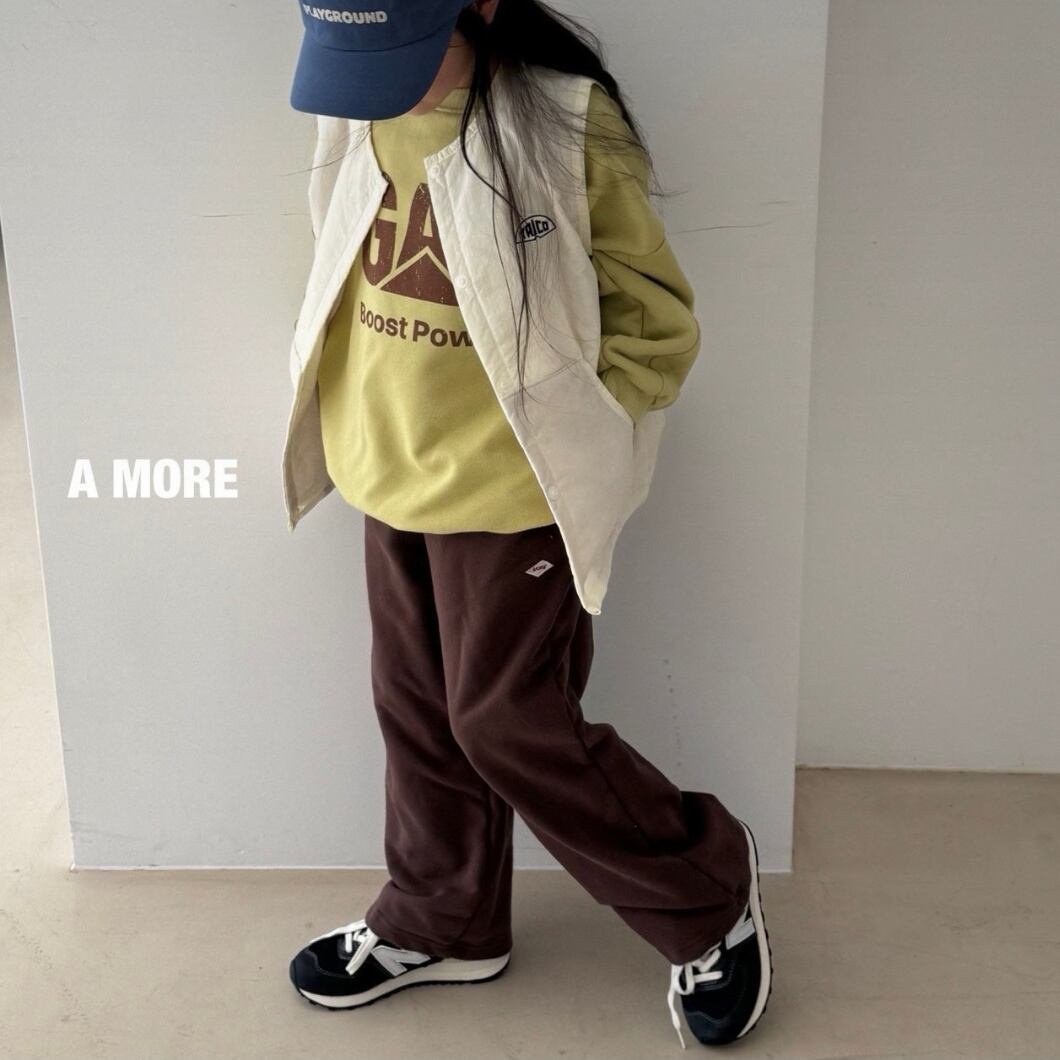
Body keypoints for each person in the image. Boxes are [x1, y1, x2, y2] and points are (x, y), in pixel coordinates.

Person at [281, 0, 773, 1048]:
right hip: (388, 466)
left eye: (400, 56)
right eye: (355, 61)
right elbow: (337, 248)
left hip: (514, 495)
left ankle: (705, 890)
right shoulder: (358, 106)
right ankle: (445, 918)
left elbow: (654, 317)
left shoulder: (562, 122)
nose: (378, 88)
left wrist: (582, 432)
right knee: (417, 713)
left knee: (505, 719)